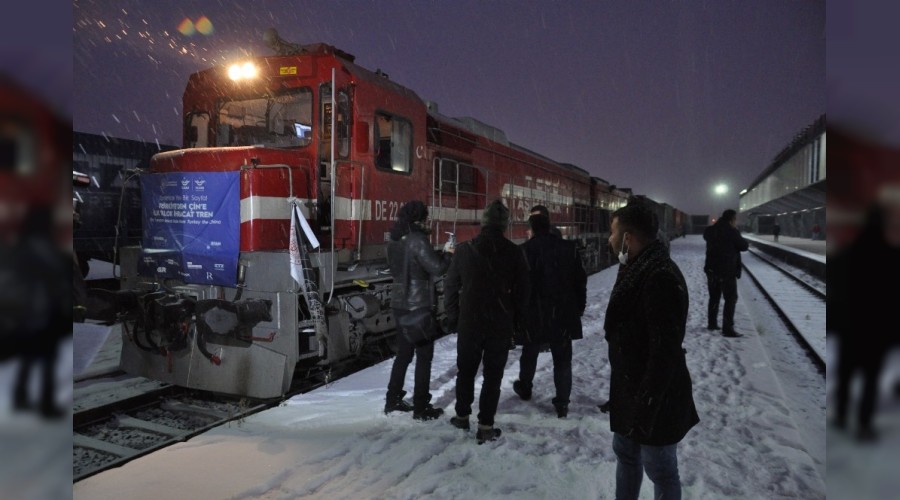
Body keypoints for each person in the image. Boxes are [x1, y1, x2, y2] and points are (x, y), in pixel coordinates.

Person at [604, 203, 699, 500]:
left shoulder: (659, 277)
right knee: (627, 457)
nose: (609, 238)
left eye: (612, 232)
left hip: (655, 399)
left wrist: (646, 406)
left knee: (661, 469)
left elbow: (664, 352)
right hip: (631, 391)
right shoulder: (637, 267)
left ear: (628, 237)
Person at [444, 199, 530, 443]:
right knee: (493, 376)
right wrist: (517, 323)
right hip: (499, 323)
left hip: (470, 322)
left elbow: (450, 287)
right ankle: (485, 425)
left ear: (483, 223)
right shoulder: (515, 252)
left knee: (466, 371)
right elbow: (524, 293)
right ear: (504, 225)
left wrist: (453, 317)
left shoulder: (464, 250)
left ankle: (462, 416)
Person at [829, 199, 900, 441]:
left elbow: (835, 289)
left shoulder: (846, 254)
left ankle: (840, 416)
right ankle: (864, 425)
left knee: (846, 375)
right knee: (871, 379)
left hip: (850, 326)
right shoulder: (893, 257)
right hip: (877, 329)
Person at [513, 213, 586, 418]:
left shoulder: (524, 250)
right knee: (562, 359)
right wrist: (579, 308)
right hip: (562, 313)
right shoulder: (569, 248)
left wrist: (518, 313)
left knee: (529, 352)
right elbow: (580, 281)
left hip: (534, 314)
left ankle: (525, 387)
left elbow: (518, 287)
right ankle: (562, 402)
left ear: (532, 229)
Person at [385, 200, 453, 421]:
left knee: (403, 354)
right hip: (418, 305)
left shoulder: (395, 239)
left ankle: (392, 400)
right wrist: (448, 253)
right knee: (424, 356)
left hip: (399, 303)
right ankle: (421, 407)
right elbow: (437, 268)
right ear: (421, 218)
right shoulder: (418, 239)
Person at [703, 209, 749, 337]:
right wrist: (736, 232)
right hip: (727, 270)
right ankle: (728, 328)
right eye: (735, 219)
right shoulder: (732, 231)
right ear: (732, 219)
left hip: (712, 269)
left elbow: (706, 236)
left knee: (714, 297)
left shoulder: (710, 230)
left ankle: (712, 323)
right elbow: (744, 246)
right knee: (730, 298)